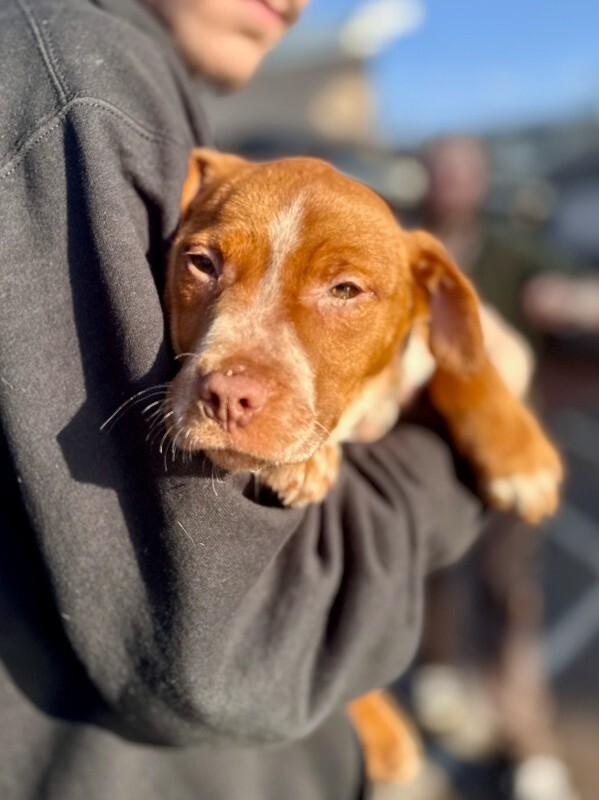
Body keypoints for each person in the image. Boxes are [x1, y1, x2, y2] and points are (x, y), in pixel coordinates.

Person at [0, 3, 483, 800]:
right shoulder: (76, 85)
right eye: (199, 264)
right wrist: (448, 469)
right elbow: (220, 649)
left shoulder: (147, 93)